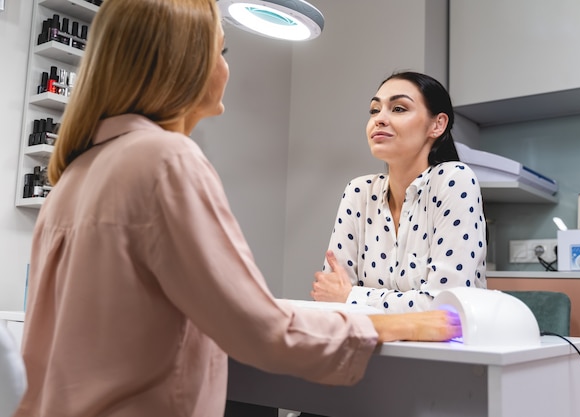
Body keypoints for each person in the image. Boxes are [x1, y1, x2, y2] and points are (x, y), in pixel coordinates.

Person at [13, 2, 461, 417]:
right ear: (184, 64)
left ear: (436, 126)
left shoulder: (74, 175)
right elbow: (260, 327)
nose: (226, 67)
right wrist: (392, 324)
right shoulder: (166, 161)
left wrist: (353, 301)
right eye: (221, 50)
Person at [311, 71, 488, 313]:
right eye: (374, 110)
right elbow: (329, 295)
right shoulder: (358, 191)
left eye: (398, 109)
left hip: (446, 349)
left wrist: (351, 296)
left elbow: (446, 305)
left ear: (437, 125)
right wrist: (345, 296)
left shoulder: (454, 179)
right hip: (371, 345)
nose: (379, 119)